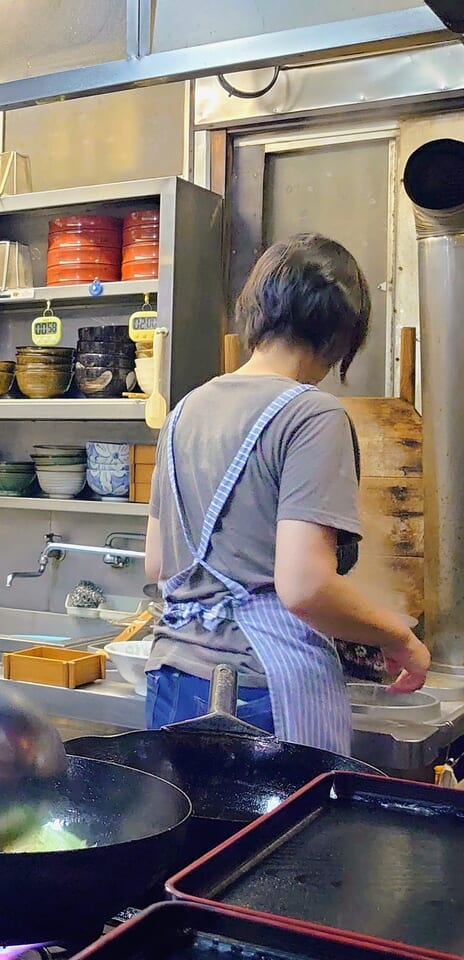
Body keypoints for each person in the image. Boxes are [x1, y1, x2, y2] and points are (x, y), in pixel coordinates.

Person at [143, 234, 430, 755]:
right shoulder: (310, 413)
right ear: (340, 334)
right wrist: (398, 637)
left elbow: (157, 562)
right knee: (282, 841)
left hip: (171, 679)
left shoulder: (184, 410)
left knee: (197, 840)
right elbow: (303, 586)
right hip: (258, 692)